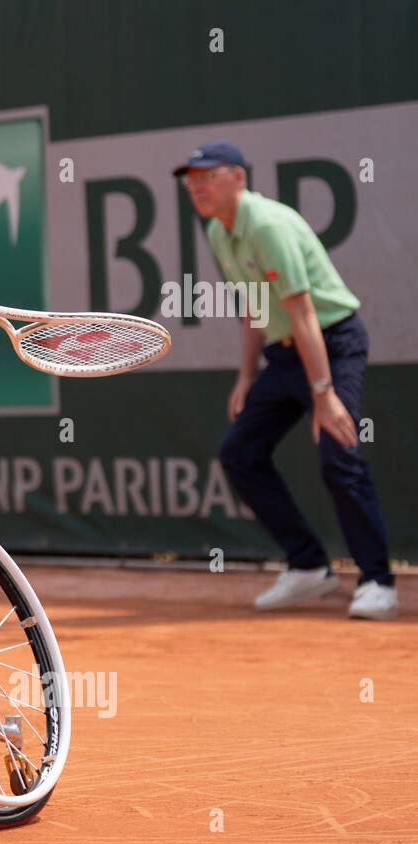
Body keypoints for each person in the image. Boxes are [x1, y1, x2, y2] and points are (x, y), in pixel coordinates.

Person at [174, 141, 397, 620]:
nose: (197, 187)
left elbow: (303, 310)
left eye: (207, 177)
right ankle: (308, 567)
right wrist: (246, 376)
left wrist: (325, 394)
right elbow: (257, 308)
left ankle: (379, 581)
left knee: (339, 455)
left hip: (332, 343)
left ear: (237, 177)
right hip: (284, 354)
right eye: (191, 180)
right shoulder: (217, 231)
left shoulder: (269, 225)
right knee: (241, 453)